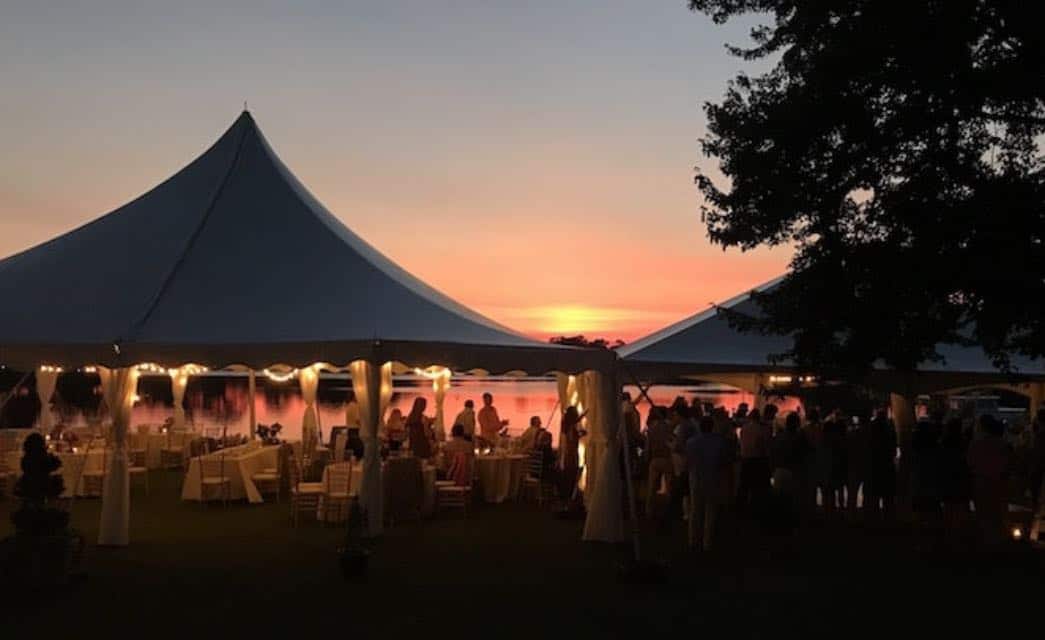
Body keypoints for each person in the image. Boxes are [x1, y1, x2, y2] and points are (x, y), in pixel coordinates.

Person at [967, 414, 1011, 546]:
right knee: (998, 512)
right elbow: (1008, 463)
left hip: (981, 482)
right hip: (999, 482)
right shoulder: (1002, 443)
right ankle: (1000, 540)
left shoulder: (976, 443)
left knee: (984, 512)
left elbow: (970, 462)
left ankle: (986, 540)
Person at [687, 415, 728, 550]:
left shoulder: (691, 442)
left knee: (695, 510)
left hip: (696, 477)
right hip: (713, 477)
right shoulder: (719, 442)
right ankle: (707, 542)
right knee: (710, 511)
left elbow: (689, 461)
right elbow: (723, 461)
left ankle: (693, 540)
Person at [938, 417, 971, 547]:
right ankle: (960, 536)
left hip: (947, 478)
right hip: (961, 478)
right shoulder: (964, 442)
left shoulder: (943, 443)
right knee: (961, 507)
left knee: (949, 507)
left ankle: (949, 536)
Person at [737, 407, 771, 514]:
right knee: (757, 487)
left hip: (745, 460)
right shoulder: (762, 430)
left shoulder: (744, 428)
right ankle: (755, 509)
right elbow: (766, 447)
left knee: (744, 486)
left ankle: (741, 509)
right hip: (757, 461)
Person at [866, 409, 898, 520]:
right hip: (887, 466)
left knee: (874, 496)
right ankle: (889, 519)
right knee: (888, 497)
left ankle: (874, 519)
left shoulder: (872, 431)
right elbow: (894, 450)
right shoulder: (890, 430)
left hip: (874, 466)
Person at [644, 406, 673, 518]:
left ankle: (648, 510)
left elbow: (647, 448)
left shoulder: (651, 429)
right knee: (669, 487)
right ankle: (667, 510)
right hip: (666, 459)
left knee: (651, 487)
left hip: (655, 459)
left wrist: (646, 459)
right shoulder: (669, 427)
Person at [558, 405, 586, 505]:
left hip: (568, 453)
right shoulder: (571, 427)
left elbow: (577, 420)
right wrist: (582, 434)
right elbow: (572, 439)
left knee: (568, 473)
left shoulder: (566, 424)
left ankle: (567, 495)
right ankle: (570, 496)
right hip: (571, 453)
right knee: (572, 473)